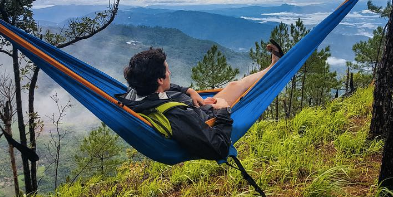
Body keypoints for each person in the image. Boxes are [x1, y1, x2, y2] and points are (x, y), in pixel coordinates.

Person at [117, 40, 283, 161]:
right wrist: (223, 111)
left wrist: (189, 91)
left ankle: (273, 67)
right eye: (167, 71)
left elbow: (165, 88)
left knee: (234, 85)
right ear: (160, 79)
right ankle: (276, 68)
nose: (170, 73)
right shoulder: (177, 117)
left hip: (197, 107)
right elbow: (218, 149)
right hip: (210, 120)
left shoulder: (137, 90)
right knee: (241, 90)